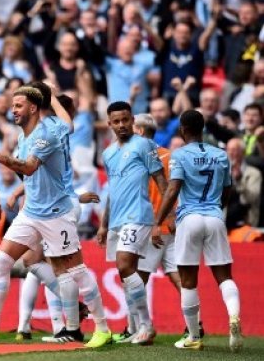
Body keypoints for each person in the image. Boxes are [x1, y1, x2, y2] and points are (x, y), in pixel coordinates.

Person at [0, 86, 110, 347]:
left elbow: (28, 167)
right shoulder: (28, 134)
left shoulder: (45, 134)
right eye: (12, 105)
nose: (12, 110)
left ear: (34, 108)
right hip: (31, 212)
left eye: (18, 105)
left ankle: (102, 328)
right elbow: (67, 126)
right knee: (1, 262)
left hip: (56, 214)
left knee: (74, 270)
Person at [154, 110, 243, 351]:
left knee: (189, 281)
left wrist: (157, 222)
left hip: (189, 219)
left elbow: (173, 189)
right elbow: (227, 191)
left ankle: (194, 337)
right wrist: (216, 208)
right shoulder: (221, 155)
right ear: (202, 128)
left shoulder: (179, 155)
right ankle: (233, 317)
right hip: (214, 217)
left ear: (182, 129)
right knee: (224, 277)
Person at [97, 101, 168, 346]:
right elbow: (112, 191)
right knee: (129, 273)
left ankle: (147, 326)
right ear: (109, 124)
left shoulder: (144, 145)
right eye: (116, 121)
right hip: (117, 219)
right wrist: (104, 225)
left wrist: (162, 220)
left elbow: (161, 182)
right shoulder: (107, 153)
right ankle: (137, 328)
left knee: (124, 265)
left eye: (125, 120)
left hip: (139, 215)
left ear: (132, 120)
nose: (121, 125)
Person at [132, 113, 204, 343]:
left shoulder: (138, 155)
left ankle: (137, 328)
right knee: (178, 278)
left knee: (135, 279)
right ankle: (196, 325)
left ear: (141, 131)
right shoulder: (171, 156)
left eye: (133, 128)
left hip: (150, 225)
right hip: (173, 226)